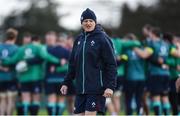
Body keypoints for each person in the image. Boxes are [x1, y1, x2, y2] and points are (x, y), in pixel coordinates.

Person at [60, 8, 117, 115]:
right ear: (81, 23)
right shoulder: (79, 40)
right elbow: (72, 64)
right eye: (85, 21)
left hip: (96, 89)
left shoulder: (102, 38)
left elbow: (111, 64)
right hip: (80, 89)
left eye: (91, 21)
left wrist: (110, 86)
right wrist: (66, 83)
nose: (88, 23)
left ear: (95, 22)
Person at [2, 35, 61, 115]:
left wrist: (4, 62)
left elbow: (13, 60)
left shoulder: (22, 49)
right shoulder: (39, 47)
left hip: (23, 78)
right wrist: (58, 61)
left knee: (25, 99)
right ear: (38, 41)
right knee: (35, 100)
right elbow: (46, 56)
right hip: (35, 77)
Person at [0, 28, 18, 115]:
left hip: (1, 78)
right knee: (10, 100)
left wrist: (2, 68)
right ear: (15, 37)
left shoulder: (0, 47)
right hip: (12, 77)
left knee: (2, 100)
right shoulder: (17, 48)